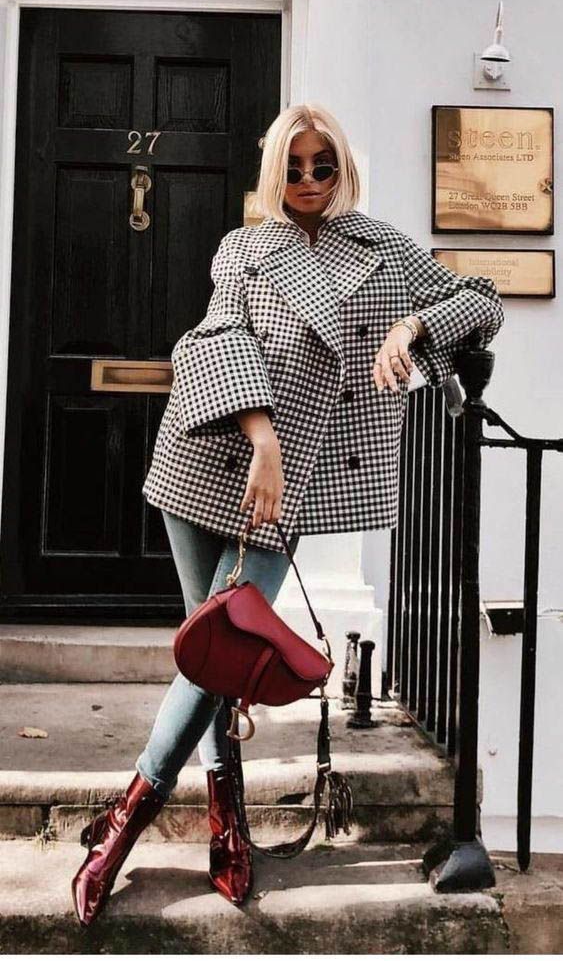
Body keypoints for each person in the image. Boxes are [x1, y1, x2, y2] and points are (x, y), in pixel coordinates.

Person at [71, 103, 505, 927]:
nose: (308, 182)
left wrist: (414, 325)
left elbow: (480, 300)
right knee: (212, 657)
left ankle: (118, 832)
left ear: (341, 169)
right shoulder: (244, 246)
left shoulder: (384, 250)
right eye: (295, 168)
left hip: (288, 485)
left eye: (323, 166)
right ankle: (223, 823)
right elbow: (217, 337)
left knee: (215, 658)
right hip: (211, 458)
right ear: (276, 173)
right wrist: (262, 439)